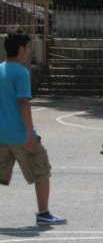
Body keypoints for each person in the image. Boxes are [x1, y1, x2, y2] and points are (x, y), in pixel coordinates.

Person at [0, 29, 67, 225]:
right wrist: (30, 131)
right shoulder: (21, 72)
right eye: (28, 48)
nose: (29, 51)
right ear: (21, 49)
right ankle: (43, 214)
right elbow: (23, 102)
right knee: (42, 172)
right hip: (21, 135)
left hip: (1, 135)